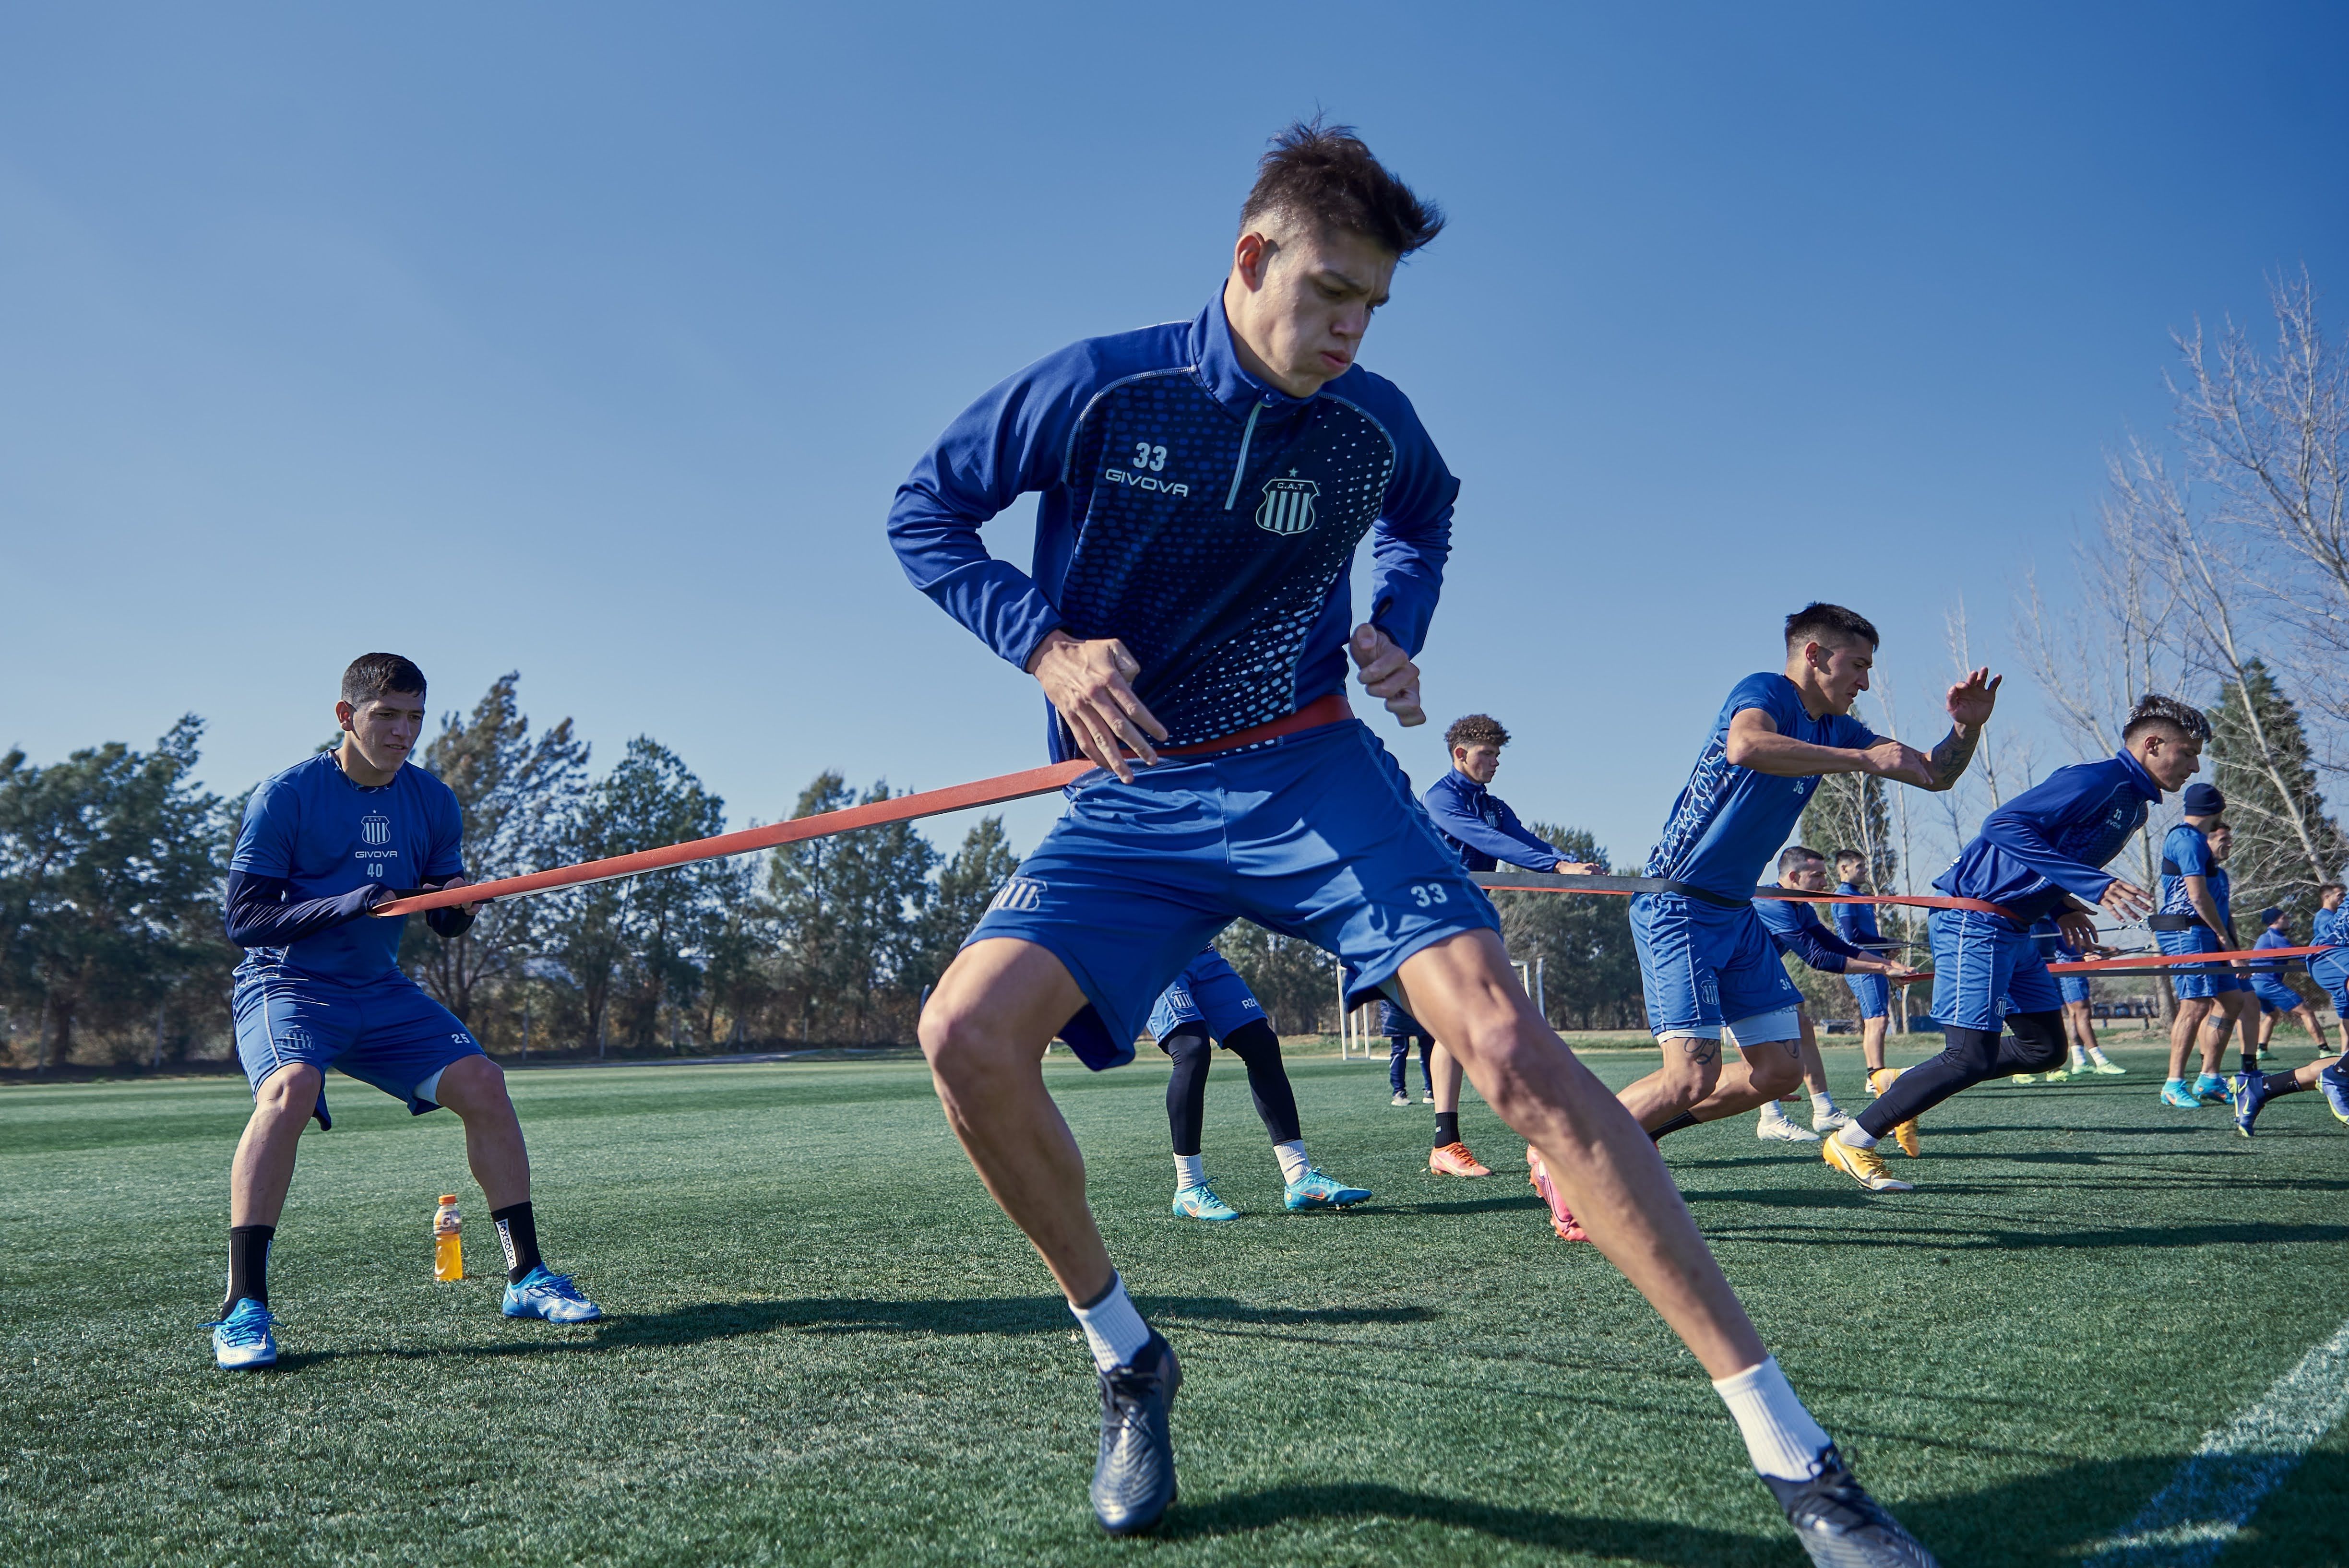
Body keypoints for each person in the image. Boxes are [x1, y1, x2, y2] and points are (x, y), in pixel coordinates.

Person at [890, 121, 1936, 1561]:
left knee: (1506, 1046)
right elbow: (923, 512)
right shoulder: (1099, 388)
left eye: (1370, 305)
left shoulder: (1372, 426)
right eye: (1326, 292)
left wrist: (1397, 626)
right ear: (1248, 259)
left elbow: (1428, 516)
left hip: (1313, 769)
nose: (1346, 329)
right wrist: (1046, 646)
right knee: (960, 1037)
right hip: (1133, 793)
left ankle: (1795, 1456)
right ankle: (1126, 1355)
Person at [212, 654, 602, 1371]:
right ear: (346, 716)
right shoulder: (288, 795)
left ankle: (525, 1276)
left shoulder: (432, 801)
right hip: (288, 985)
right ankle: (244, 1306)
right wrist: (346, 903)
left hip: (379, 988)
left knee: (484, 1081)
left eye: (415, 717)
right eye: (387, 715)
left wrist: (457, 906)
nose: (403, 732)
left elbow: (444, 917)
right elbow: (244, 918)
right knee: (288, 1090)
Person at [1616, 603, 1995, 1174]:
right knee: (1690, 1074)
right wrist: (1859, 759)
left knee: (1779, 1072)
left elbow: (1932, 773)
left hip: (1735, 910)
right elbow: (1745, 746)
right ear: (1814, 655)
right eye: (1858, 665)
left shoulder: (1838, 729)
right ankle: (1566, 1151)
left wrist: (1966, 726)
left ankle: (1637, 1131)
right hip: (1677, 902)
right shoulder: (1766, 690)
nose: (1864, 681)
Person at [1820, 695, 2205, 1192]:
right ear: (2152, 745)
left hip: (2015, 929)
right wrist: (2093, 885)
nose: (2194, 766)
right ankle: (1851, 1139)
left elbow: (2039, 858)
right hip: (1972, 920)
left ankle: (1903, 1084)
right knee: (1967, 1057)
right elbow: (2001, 826)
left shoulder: (2133, 806)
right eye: (2187, 752)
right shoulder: (2096, 780)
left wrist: (2061, 904)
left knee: (2043, 1049)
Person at [1419, 713, 1601, 1176]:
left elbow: (1521, 839)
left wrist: (1567, 862)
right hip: (1438, 920)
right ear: (1460, 754)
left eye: (1499, 755)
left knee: (1462, 1030)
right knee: (1492, 1023)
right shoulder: (1439, 798)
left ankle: (1449, 1144)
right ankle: (1540, 1136)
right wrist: (1557, 868)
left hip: (1477, 919)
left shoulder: (1494, 804)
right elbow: (1486, 841)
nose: (1495, 762)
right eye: (1487, 755)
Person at [1146, 949, 1371, 1219]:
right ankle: (1189, 1187)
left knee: (1262, 1045)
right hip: (1151, 951)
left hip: (1201, 951)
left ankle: (1300, 1179)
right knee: (1191, 1049)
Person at [1750, 848, 1925, 1141]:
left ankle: (1823, 1111)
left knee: (1802, 1028)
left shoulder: (1798, 904)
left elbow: (1832, 942)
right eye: (1817, 875)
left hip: (1757, 976)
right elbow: (1816, 957)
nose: (1824, 881)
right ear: (1794, 877)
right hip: (1728, 977)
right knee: (1750, 1052)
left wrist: (1886, 963)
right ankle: (1771, 1117)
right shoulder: (1771, 901)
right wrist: (1881, 969)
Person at [2153, 784, 2253, 1107]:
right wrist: (2224, 940)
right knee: (2194, 1005)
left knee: (2232, 1000)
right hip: (2187, 933)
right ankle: (2173, 1083)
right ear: (2216, 812)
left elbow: (2220, 908)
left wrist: (2232, 949)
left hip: (2206, 933)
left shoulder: (2199, 846)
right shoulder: (2186, 840)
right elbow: (2196, 896)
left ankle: (2209, 1077)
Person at [2025, 917, 2125, 1077]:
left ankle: (2079, 1062)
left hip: (2069, 967)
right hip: (2069, 969)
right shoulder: (2050, 912)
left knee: (2074, 1016)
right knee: (2082, 1014)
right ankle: (2100, 1061)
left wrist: (2098, 952)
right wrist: (2102, 949)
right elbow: (2070, 938)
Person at [2249, 906, 2333, 1056]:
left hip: (2255, 984)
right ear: (2274, 922)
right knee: (2306, 1011)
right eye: (2284, 918)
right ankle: (2325, 1050)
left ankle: (2261, 1051)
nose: (2288, 921)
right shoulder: (2277, 939)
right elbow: (2301, 957)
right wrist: (2327, 956)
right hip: (2268, 983)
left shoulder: (2266, 937)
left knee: (2272, 1015)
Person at [1382, 999, 1435, 1107]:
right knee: (1426, 1048)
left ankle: (1399, 1092)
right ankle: (1429, 1091)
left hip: (1396, 1002)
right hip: (1415, 1002)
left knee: (1402, 1049)